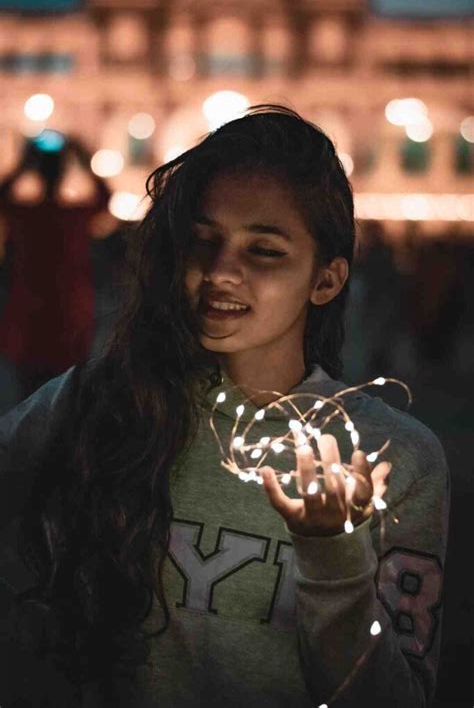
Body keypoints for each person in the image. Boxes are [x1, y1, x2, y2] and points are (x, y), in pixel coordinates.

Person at [0, 105, 449, 707]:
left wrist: (335, 558)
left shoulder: (396, 459)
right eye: (202, 241)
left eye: (264, 251)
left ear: (326, 279)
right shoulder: (96, 403)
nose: (219, 272)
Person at [0, 130, 112, 400]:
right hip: (69, 312)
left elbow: (2, 196)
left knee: (26, 396)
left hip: (28, 313)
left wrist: (24, 164)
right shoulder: (73, 217)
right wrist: (83, 159)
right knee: (64, 395)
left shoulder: (26, 216)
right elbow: (105, 197)